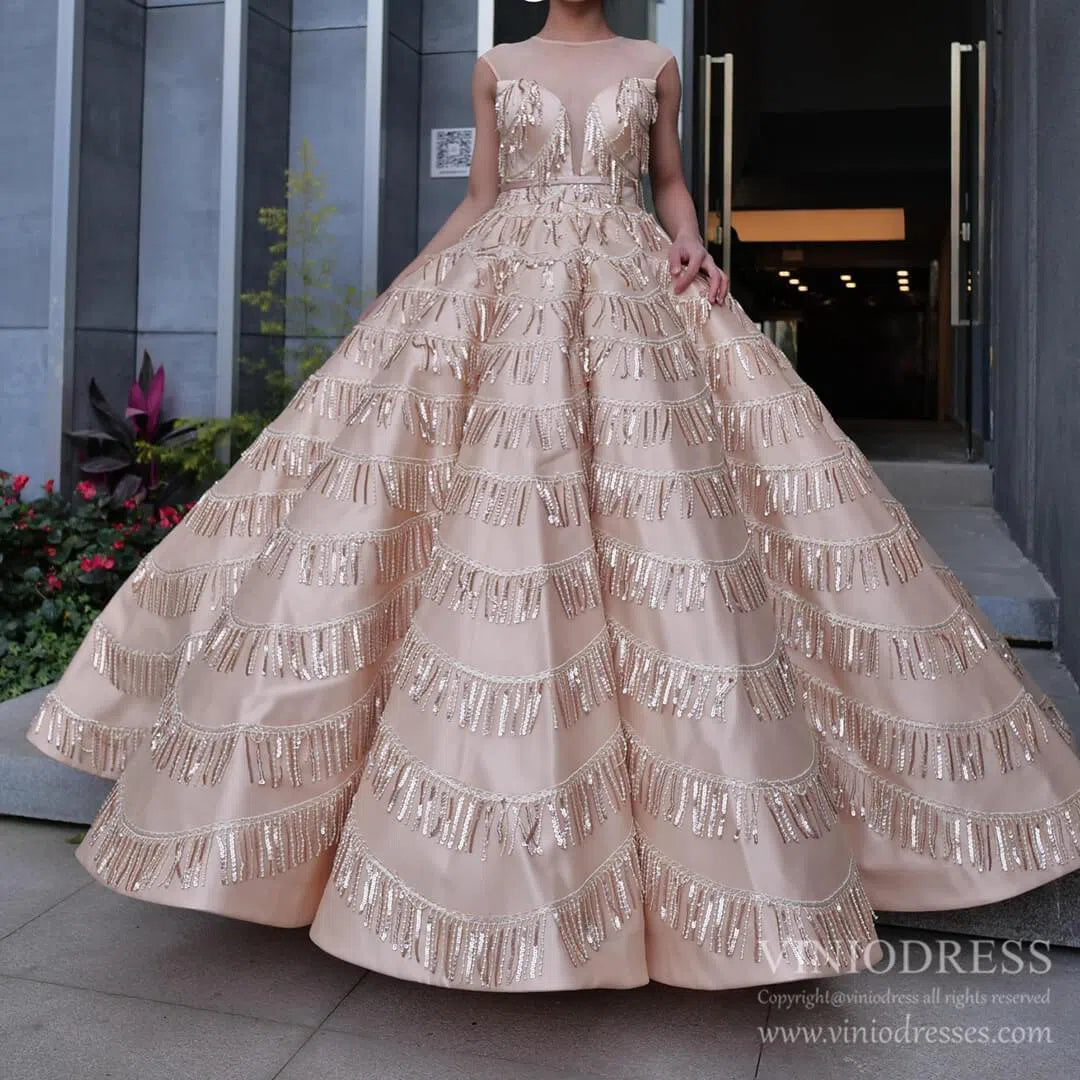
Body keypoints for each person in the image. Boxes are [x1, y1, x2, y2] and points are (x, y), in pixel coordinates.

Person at [27, 0, 1080, 992]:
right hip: (502, 291)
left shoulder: (656, 64)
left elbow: (668, 184)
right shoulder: (496, 66)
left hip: (628, 292)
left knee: (668, 510)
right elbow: (481, 198)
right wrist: (409, 287)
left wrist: (691, 239)